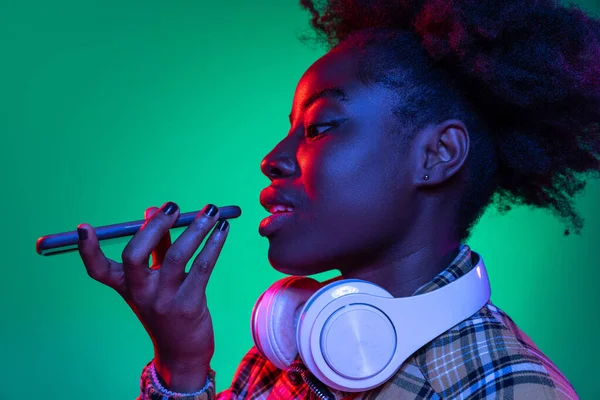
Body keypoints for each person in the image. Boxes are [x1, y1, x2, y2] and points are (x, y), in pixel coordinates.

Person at [76, 0, 599, 398]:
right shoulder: (290, 352)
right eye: (290, 130)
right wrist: (182, 366)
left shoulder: (510, 389)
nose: (272, 159)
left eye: (319, 127)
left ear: (438, 153)